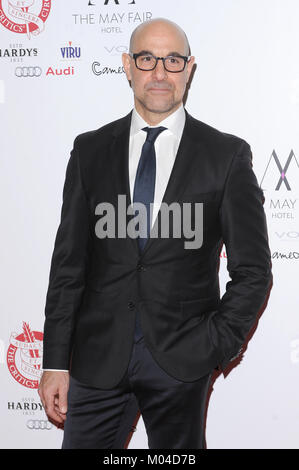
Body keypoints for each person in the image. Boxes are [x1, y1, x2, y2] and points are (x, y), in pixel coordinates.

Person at [38, 17, 272, 449]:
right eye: (147, 59)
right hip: (96, 360)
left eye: (173, 59)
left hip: (182, 361)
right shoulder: (89, 150)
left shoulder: (226, 155)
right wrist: (55, 360)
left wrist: (215, 346)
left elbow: (253, 270)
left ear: (190, 67)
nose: (160, 72)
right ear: (128, 66)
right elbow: (68, 266)